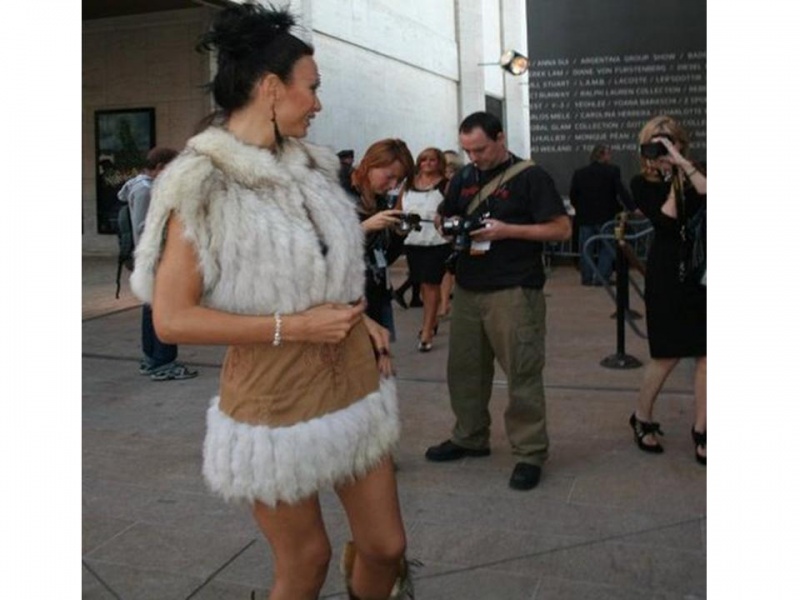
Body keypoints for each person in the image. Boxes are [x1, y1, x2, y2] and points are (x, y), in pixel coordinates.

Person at [129, 4, 412, 599]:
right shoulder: (201, 182)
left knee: (387, 548)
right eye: (311, 88)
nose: (318, 103)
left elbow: (323, 271)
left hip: (354, 385)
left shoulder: (311, 167)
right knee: (307, 561)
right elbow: (171, 317)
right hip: (272, 399)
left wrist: (356, 323)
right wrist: (298, 327)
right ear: (269, 88)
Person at [424, 111, 572, 491]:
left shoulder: (530, 176)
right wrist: (446, 224)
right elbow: (447, 214)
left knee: (521, 372)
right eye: (468, 150)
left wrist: (508, 231)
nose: (475, 157)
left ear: (501, 137)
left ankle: (529, 452)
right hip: (470, 288)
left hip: (514, 289)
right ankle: (469, 436)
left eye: (481, 149)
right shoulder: (464, 177)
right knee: (465, 371)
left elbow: (561, 228)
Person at [627, 115, 707, 466]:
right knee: (667, 354)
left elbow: (708, 191)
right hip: (666, 272)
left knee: (709, 354)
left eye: (669, 140)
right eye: (656, 142)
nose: (662, 148)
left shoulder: (695, 171)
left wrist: (681, 165)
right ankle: (641, 416)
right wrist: (671, 178)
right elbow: (666, 222)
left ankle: (703, 430)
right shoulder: (640, 182)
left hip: (702, 270)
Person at [118, 147, 198, 382]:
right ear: (161, 167)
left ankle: (153, 359)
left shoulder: (144, 188)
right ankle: (163, 361)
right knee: (165, 309)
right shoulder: (144, 191)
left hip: (153, 257)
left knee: (152, 308)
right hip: (154, 258)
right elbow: (145, 228)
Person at [349, 138, 415, 341]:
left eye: (399, 180)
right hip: (348, 300)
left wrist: (398, 235)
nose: (393, 185)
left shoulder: (380, 201)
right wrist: (364, 228)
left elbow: (384, 256)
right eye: (389, 177)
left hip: (377, 294)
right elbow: (322, 249)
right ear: (370, 163)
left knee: (380, 363)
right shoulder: (339, 194)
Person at [397, 147, 451, 351]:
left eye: (432, 160)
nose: (427, 163)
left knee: (431, 284)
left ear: (440, 162)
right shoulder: (409, 184)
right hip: (413, 240)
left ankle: (427, 329)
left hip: (436, 240)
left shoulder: (446, 185)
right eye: (423, 160)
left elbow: (453, 208)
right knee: (420, 282)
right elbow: (398, 209)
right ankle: (432, 320)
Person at [569, 144, 635, 286]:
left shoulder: (580, 173)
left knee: (586, 248)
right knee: (607, 247)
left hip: (585, 217)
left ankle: (587, 278)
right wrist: (632, 208)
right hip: (606, 216)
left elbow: (573, 195)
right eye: (608, 154)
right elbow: (621, 192)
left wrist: (579, 208)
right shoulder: (612, 171)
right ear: (603, 155)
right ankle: (601, 277)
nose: (610, 157)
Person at [438, 150, 463, 318]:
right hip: (448, 228)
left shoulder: (458, 182)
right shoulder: (443, 183)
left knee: (452, 270)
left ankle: (446, 303)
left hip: (456, 228)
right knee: (448, 270)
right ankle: (445, 303)